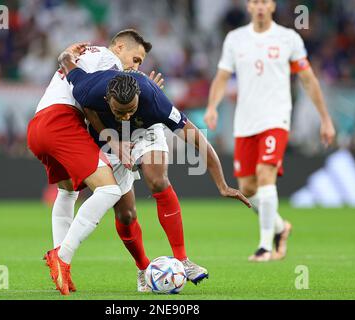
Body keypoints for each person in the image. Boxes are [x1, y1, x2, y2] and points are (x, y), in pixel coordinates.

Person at [57, 49, 252, 285]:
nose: (127, 116)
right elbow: (67, 63)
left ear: (139, 94)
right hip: (109, 138)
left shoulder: (154, 100)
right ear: (107, 99)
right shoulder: (87, 88)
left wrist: (222, 184)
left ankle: (183, 260)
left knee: (157, 179)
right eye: (120, 111)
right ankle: (143, 269)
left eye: (131, 109)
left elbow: (198, 140)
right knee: (126, 214)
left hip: (146, 130)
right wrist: (68, 53)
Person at [204, 0, 336, 262]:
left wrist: (325, 118)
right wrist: (212, 107)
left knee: (266, 175)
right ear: (249, 7)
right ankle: (280, 227)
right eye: (255, 2)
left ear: (273, 6)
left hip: (276, 118)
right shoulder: (235, 38)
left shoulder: (288, 38)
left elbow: (308, 79)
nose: (260, 6)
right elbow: (221, 77)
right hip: (245, 122)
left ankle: (265, 246)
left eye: (265, 1)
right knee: (248, 188)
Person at [27, 43, 123, 295]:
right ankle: (63, 255)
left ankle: (61, 271)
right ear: (120, 47)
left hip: (38, 126)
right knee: (110, 190)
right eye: (136, 58)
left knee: (67, 192)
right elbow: (90, 101)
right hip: (62, 122)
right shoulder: (110, 58)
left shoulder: (82, 53)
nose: (135, 66)